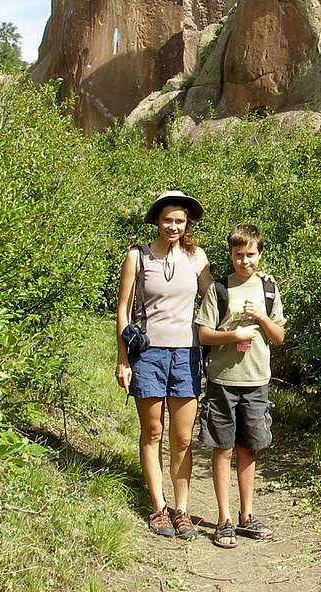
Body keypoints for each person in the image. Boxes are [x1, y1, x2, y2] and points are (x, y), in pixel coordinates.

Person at [116, 190, 212, 540]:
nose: (173, 226)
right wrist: (123, 359)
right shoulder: (137, 257)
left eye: (180, 220)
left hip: (187, 354)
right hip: (149, 355)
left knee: (183, 437)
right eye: (167, 219)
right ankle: (159, 508)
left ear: (188, 224)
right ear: (157, 220)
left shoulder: (196, 256)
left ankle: (181, 509)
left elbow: (215, 297)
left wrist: (257, 285)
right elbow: (123, 310)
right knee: (153, 432)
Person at [195, 224, 286, 549]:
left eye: (251, 255)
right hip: (222, 382)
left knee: (249, 449)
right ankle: (224, 519)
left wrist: (261, 318)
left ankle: (247, 516)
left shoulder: (269, 291)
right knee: (223, 449)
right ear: (230, 254)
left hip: (256, 382)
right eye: (238, 255)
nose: (245, 261)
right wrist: (233, 335)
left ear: (260, 254)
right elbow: (203, 334)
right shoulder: (219, 290)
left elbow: (279, 338)